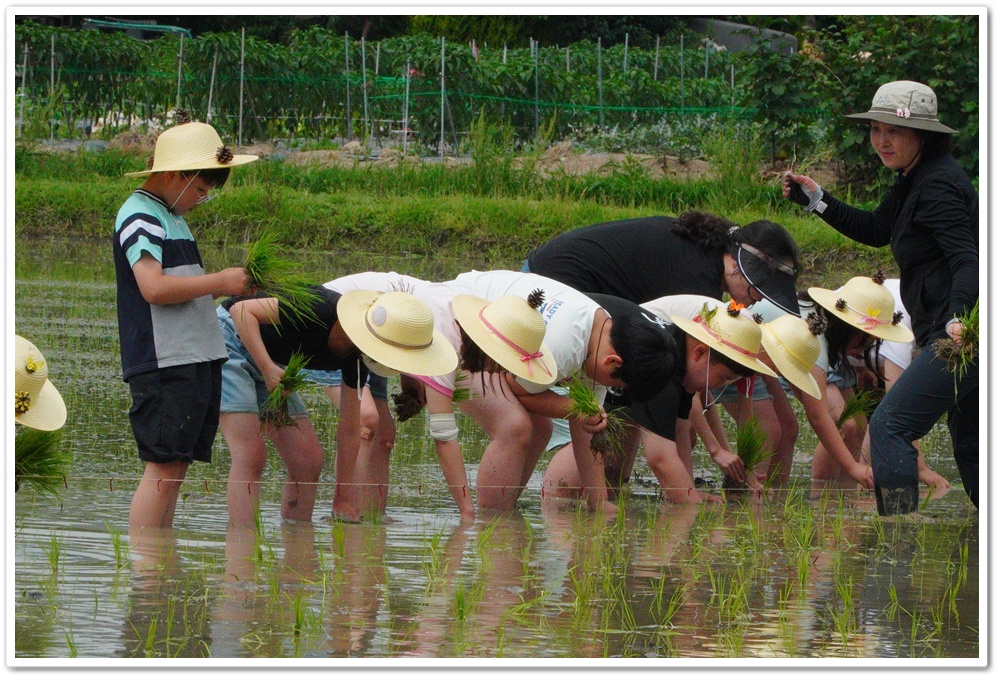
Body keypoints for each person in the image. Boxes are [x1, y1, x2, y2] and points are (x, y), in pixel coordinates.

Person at [783, 80, 978, 514]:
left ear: (922, 134)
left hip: (963, 336)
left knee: (890, 424)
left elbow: (969, 258)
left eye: (894, 131)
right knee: (972, 445)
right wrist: (816, 200)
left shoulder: (938, 185)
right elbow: (876, 230)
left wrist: (959, 319)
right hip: (952, 332)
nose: (881, 141)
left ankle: (897, 542)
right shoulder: (914, 179)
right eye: (875, 129)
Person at [114, 119, 257, 530]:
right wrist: (221, 282)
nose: (202, 199)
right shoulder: (140, 215)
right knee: (162, 468)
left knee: (175, 467)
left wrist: (227, 289)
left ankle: (159, 567)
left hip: (194, 355)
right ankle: (146, 572)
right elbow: (153, 288)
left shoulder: (171, 216)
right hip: (166, 359)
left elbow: (182, 289)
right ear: (175, 174)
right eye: (200, 189)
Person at [444, 270, 678, 516]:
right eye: (617, 386)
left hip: (490, 341)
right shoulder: (564, 345)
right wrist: (575, 409)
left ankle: (504, 510)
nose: (613, 390)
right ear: (613, 362)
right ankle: (493, 522)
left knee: (541, 428)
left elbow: (585, 430)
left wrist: (598, 502)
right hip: (459, 329)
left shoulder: (601, 333)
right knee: (514, 426)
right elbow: (518, 389)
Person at [217, 288, 457, 526]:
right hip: (229, 338)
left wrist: (342, 496)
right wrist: (267, 368)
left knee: (307, 460)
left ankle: (298, 546)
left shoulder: (358, 355)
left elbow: (351, 428)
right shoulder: (320, 307)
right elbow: (241, 311)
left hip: (270, 362)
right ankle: (243, 547)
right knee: (250, 453)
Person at [542, 296, 778, 504]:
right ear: (699, 353)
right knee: (567, 492)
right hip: (558, 349)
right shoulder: (664, 366)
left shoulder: (681, 359)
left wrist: (689, 491)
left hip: (599, 374)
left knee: (613, 475)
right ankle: (553, 517)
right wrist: (691, 506)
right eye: (723, 378)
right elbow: (660, 458)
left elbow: (678, 430)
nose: (718, 387)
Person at [525, 211, 802, 315]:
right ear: (735, 266)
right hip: (548, 289)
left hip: (552, 275)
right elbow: (682, 374)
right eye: (757, 290)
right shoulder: (697, 283)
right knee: (586, 423)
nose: (756, 301)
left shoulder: (704, 254)